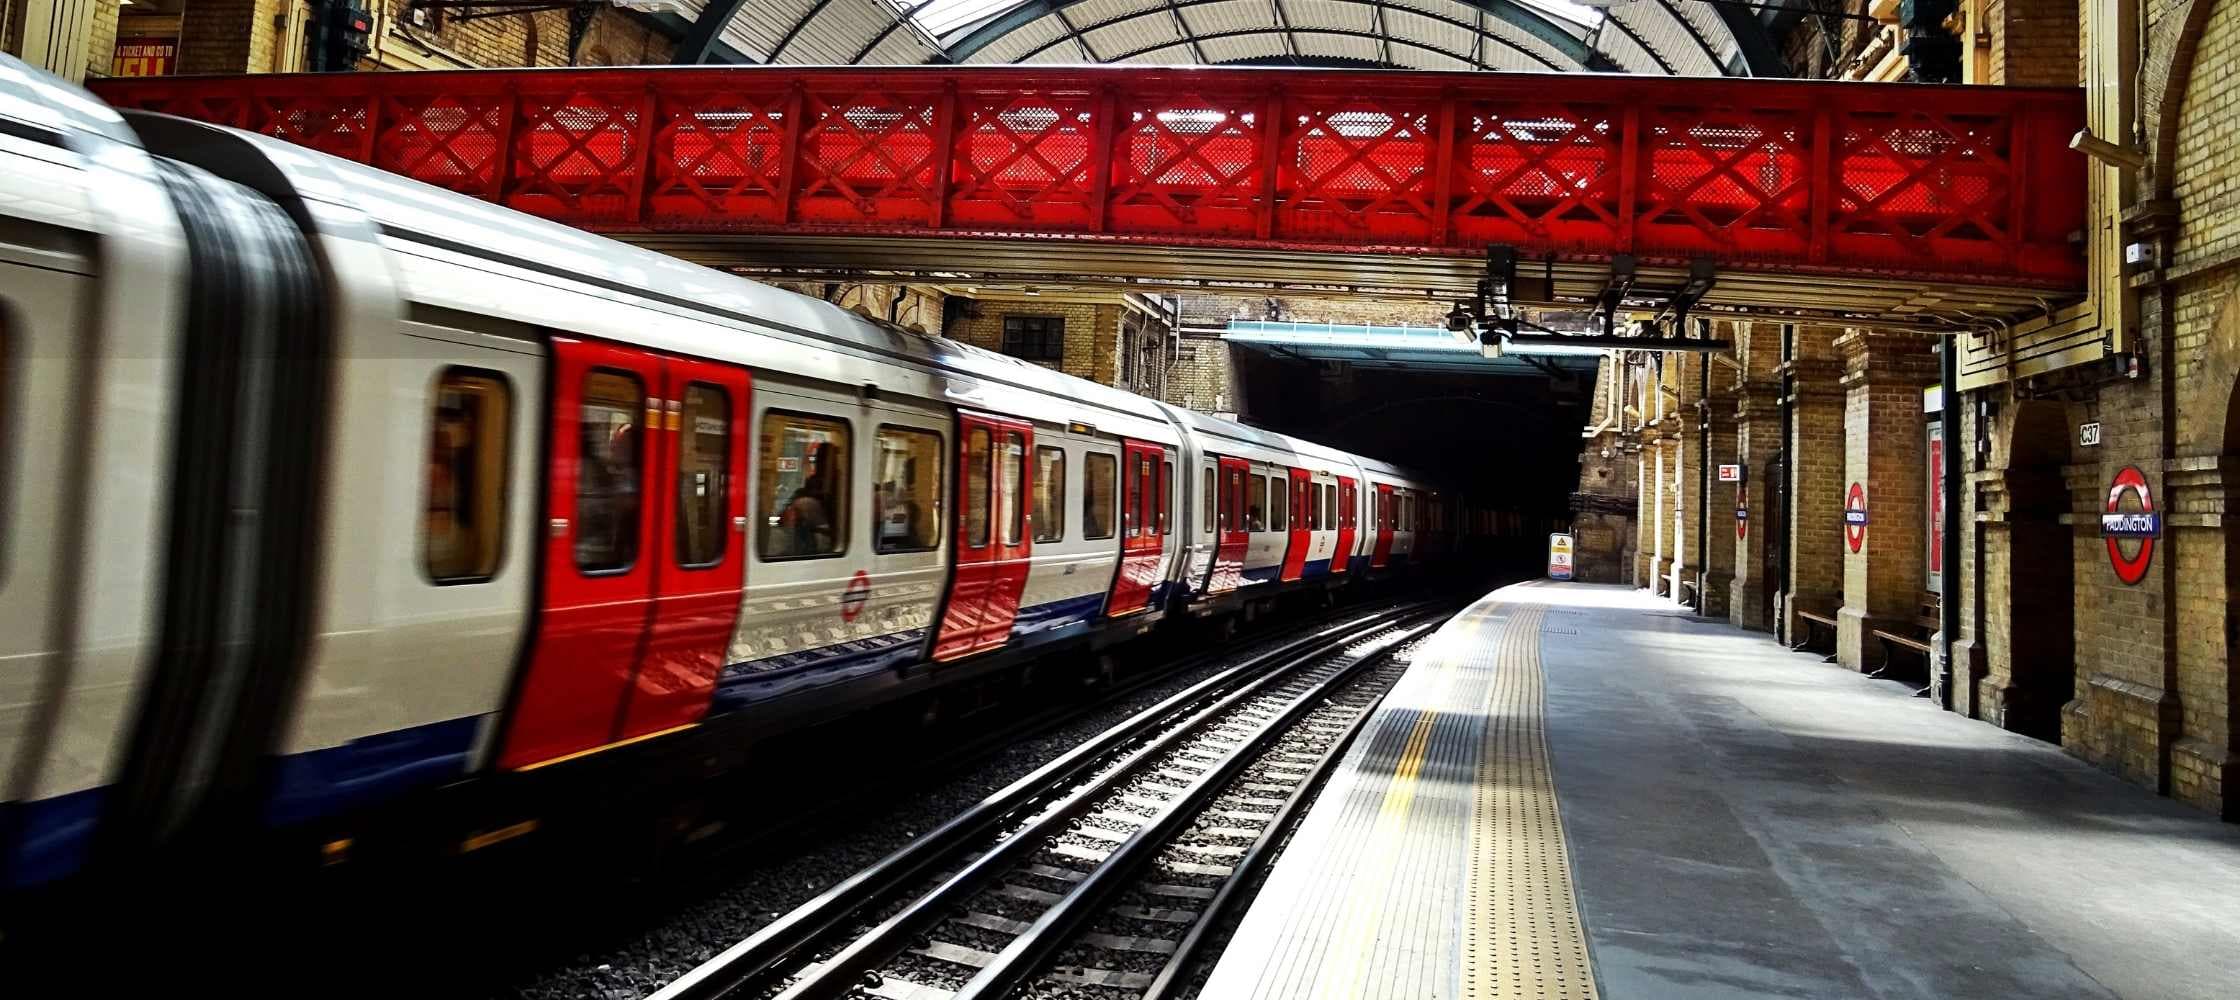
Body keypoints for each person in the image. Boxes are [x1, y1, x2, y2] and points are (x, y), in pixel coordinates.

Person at [779, 442, 836, 554]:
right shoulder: (811, 484)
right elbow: (784, 514)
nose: (821, 464)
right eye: (819, 459)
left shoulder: (841, 484)